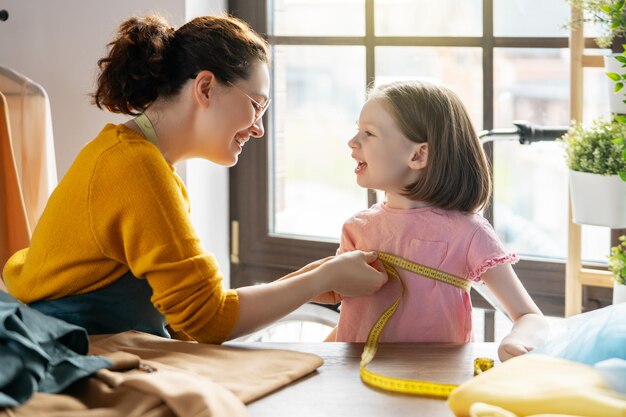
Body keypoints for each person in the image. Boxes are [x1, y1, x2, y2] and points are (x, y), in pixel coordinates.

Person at [1, 14, 388, 344]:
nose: (259, 130)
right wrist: (318, 279)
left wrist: (315, 281)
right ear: (205, 87)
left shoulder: (137, 160)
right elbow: (207, 319)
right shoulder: (136, 170)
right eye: (257, 106)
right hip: (66, 354)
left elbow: (196, 306)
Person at [316, 80, 547, 361]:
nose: (352, 142)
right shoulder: (357, 229)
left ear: (418, 154)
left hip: (435, 385)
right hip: (357, 381)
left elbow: (530, 316)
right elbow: (356, 321)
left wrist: (518, 340)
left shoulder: (468, 233)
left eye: (368, 133)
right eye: (357, 130)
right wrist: (316, 359)